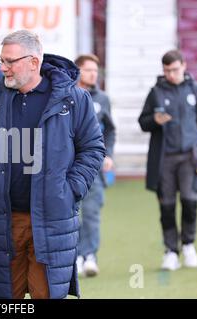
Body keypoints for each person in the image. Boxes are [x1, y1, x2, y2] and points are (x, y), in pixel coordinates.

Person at [0, 30, 105, 299]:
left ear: (33, 61)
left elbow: (93, 148)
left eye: (9, 61)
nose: (2, 67)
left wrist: (71, 189)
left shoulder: (75, 99)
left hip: (52, 220)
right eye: (1, 60)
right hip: (3, 220)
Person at [138, 49, 197, 271]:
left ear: (184, 66)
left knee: (190, 202)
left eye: (175, 69)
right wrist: (155, 120)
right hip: (165, 159)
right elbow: (143, 121)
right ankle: (171, 250)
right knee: (167, 206)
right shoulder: (156, 92)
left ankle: (188, 244)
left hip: (191, 157)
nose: (171, 74)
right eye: (167, 70)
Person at [74, 54, 116, 277]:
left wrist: (108, 154)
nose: (94, 74)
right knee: (70, 214)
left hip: (93, 168)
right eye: (89, 69)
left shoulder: (102, 99)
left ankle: (89, 255)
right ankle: (75, 256)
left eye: (96, 70)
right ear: (77, 70)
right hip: (68, 167)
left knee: (91, 213)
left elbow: (109, 129)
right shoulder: (65, 95)